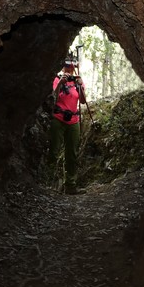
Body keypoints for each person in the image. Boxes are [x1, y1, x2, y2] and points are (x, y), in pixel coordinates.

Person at [49, 54, 87, 194]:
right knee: (54, 150)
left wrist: (80, 86)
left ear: (74, 68)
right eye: (67, 67)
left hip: (73, 121)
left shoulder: (78, 82)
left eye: (71, 67)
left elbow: (82, 101)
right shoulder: (57, 79)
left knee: (72, 153)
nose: (69, 70)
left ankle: (70, 186)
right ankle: (48, 184)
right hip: (58, 119)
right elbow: (53, 96)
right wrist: (60, 83)